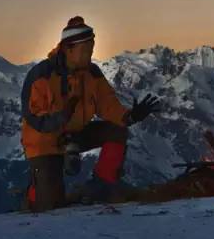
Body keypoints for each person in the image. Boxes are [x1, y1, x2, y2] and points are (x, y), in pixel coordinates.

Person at [20, 16, 159, 212]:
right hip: (45, 141)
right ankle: (33, 196)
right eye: (85, 49)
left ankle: (102, 185)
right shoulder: (41, 75)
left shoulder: (91, 74)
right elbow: (33, 117)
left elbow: (108, 105)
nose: (90, 54)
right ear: (68, 49)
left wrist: (129, 117)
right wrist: (61, 118)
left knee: (117, 131)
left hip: (76, 132)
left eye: (91, 48)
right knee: (49, 207)